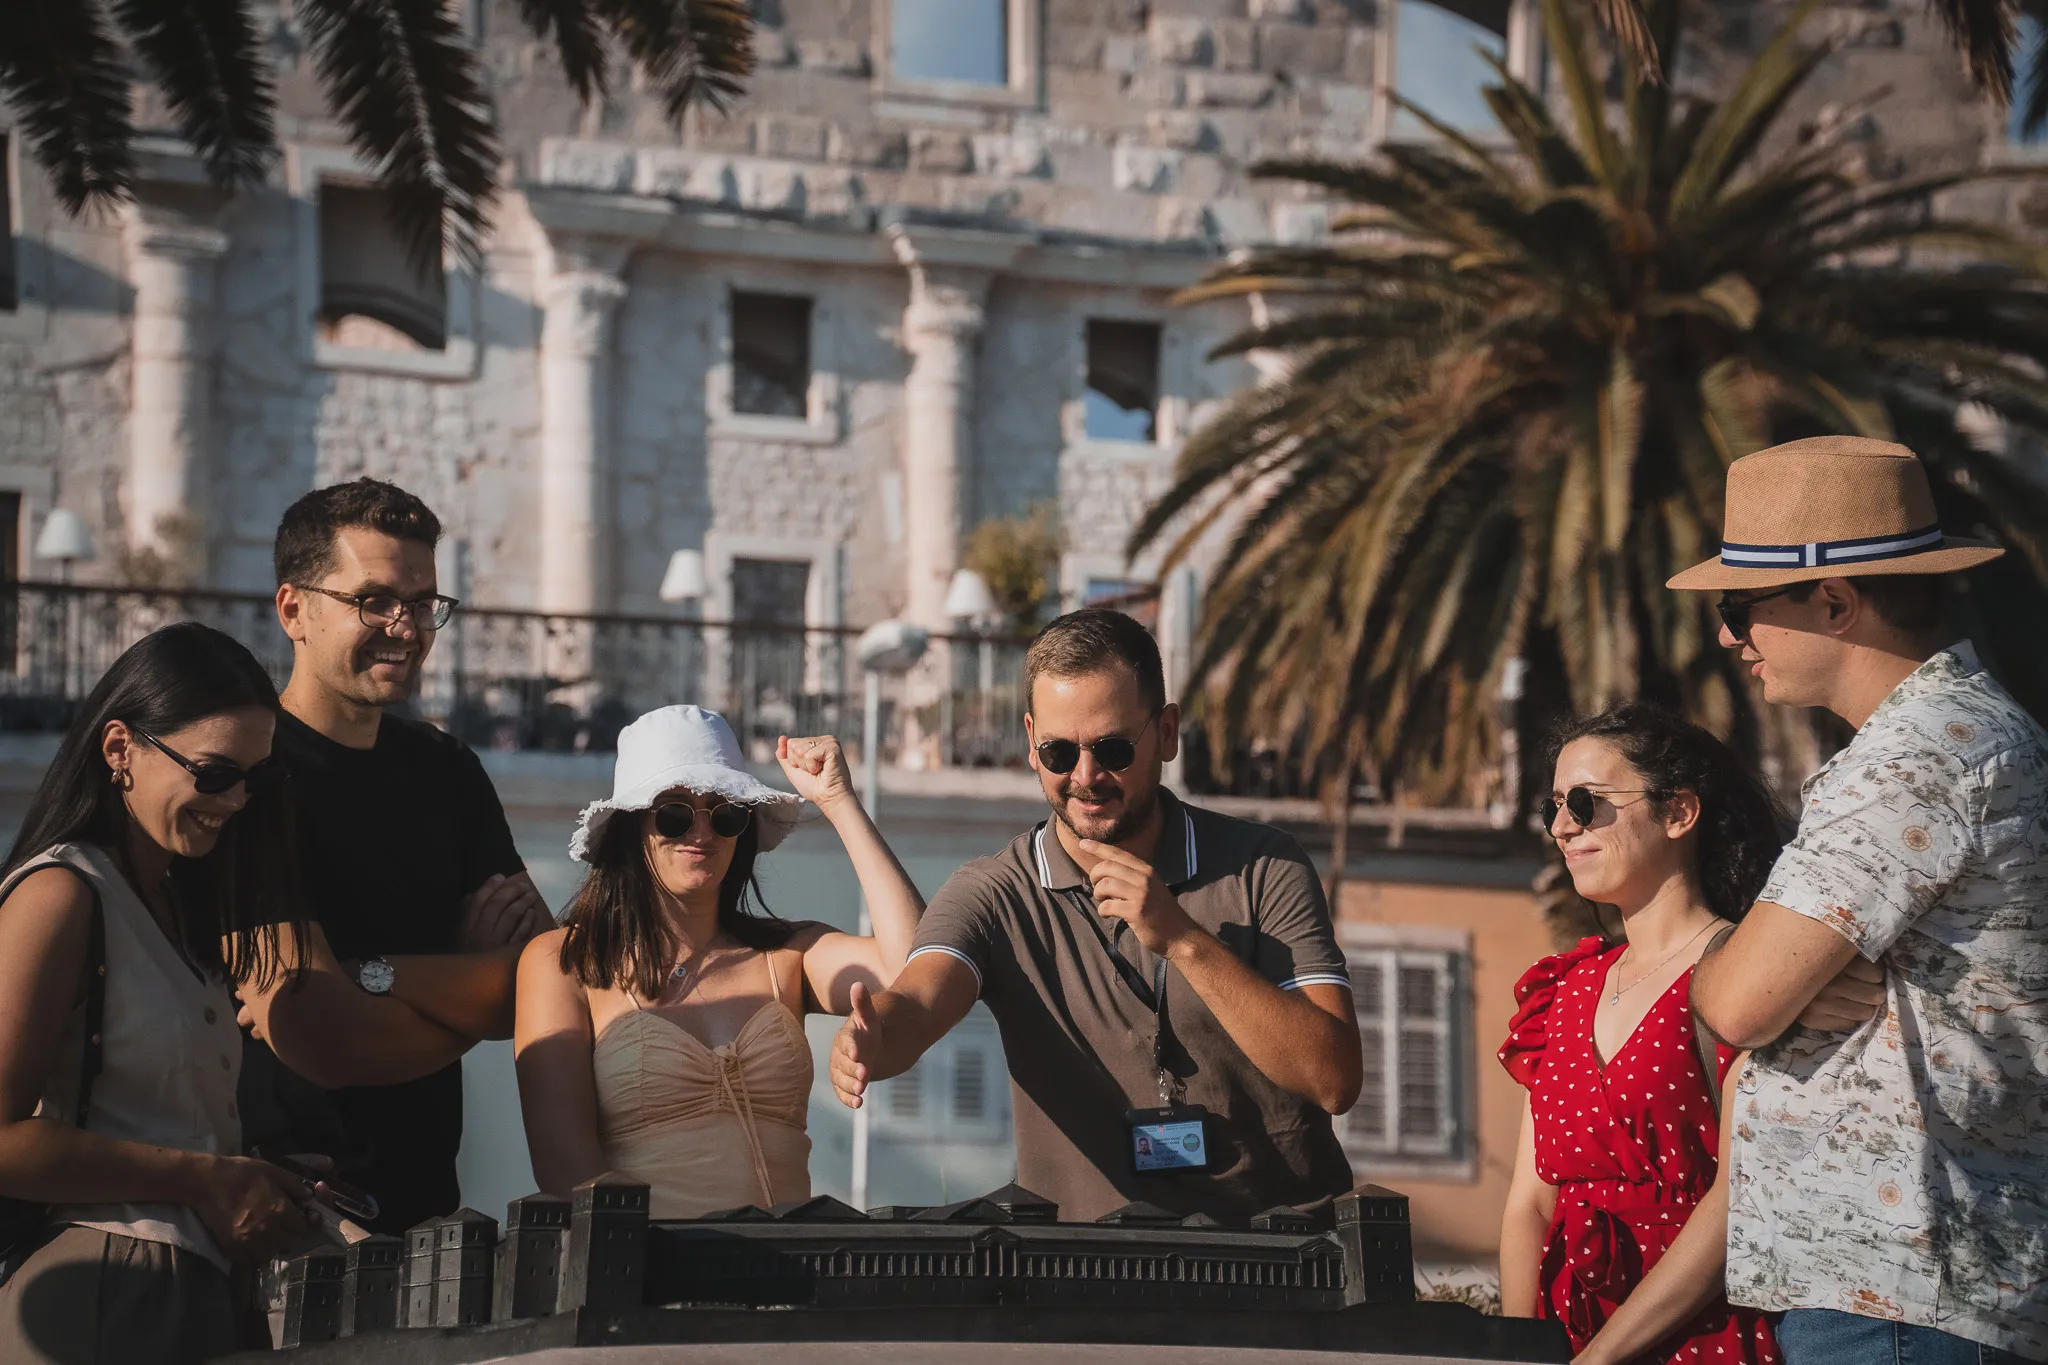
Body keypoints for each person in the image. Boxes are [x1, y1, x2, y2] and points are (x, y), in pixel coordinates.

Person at [1673, 437, 2046, 1365]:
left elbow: (1739, 1000)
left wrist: (1721, 969)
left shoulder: (1912, 757)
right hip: (1927, 1282)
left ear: (1834, 601)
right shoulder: (1972, 730)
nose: (1729, 635)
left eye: (1741, 605)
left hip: (1902, 1286)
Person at [830, 608, 1363, 1223]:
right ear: (1031, 742)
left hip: (1285, 1259)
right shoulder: (994, 891)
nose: (1084, 777)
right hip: (1093, 1276)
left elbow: (1334, 1078)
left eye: (1111, 748)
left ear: (1166, 733)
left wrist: (1184, 942)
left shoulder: (1264, 867)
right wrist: (874, 1039)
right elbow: (921, 1001)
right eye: (1058, 751)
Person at [0, 624, 372, 1361]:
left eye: (254, 778)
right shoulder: (61, 895)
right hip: (98, 1291)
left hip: (191, 1295)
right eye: (212, 772)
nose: (234, 800)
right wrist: (208, 1177)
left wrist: (253, 1174)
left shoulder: (172, 905)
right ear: (119, 751)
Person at [235, 478, 554, 1235]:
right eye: (374, 600)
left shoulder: (447, 769)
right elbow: (323, 1036)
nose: (406, 627)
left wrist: (373, 976)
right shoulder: (245, 774)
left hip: (427, 1212)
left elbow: (538, 981)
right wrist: (466, 987)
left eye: (422, 603)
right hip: (287, 1214)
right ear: (294, 610)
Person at [514, 706, 923, 1217]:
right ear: (631, 826)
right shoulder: (564, 961)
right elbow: (564, 1168)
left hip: (792, 1279)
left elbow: (919, 967)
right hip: (645, 1280)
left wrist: (839, 803)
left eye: (726, 813)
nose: (702, 833)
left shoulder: (789, 954)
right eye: (675, 814)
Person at [1498, 705, 1789, 1365]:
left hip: (1699, 1338)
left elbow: (1737, 1199)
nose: (1564, 826)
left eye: (1585, 801)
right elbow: (1529, 1202)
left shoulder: (1746, 974)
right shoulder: (1563, 988)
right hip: (1559, 1338)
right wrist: (1518, 1352)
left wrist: (1602, 1357)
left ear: (1679, 812)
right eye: (1554, 807)